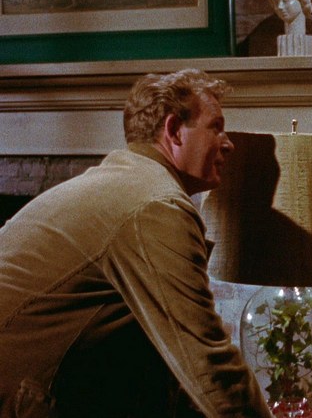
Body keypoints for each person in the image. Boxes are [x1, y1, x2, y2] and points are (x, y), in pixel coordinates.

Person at [0, 69, 273, 418]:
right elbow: (209, 365)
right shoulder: (156, 204)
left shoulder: (126, 181)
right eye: (215, 127)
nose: (228, 143)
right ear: (174, 130)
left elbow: (166, 364)